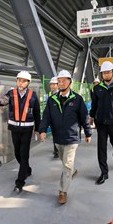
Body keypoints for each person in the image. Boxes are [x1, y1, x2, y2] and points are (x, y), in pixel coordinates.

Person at [39, 70, 92, 204]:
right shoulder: (52, 100)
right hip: (58, 138)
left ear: (69, 82)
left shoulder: (77, 99)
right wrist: (43, 130)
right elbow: (46, 117)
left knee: (67, 164)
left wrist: (88, 132)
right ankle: (72, 171)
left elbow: (84, 117)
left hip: (72, 137)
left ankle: (63, 191)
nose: (60, 83)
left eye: (63, 80)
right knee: (65, 162)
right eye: (59, 81)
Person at [0, 71, 41, 193]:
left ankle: (19, 182)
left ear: (28, 83)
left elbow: (37, 114)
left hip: (27, 130)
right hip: (14, 129)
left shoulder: (33, 95)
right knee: (17, 153)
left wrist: (38, 129)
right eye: (19, 80)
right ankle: (27, 169)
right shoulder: (12, 93)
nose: (21, 82)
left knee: (24, 154)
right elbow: (4, 99)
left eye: (24, 80)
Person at [48, 77, 59, 158]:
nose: (52, 86)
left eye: (54, 84)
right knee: (54, 135)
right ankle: (56, 151)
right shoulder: (49, 94)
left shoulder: (61, 95)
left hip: (60, 118)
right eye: (51, 84)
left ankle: (59, 150)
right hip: (52, 119)